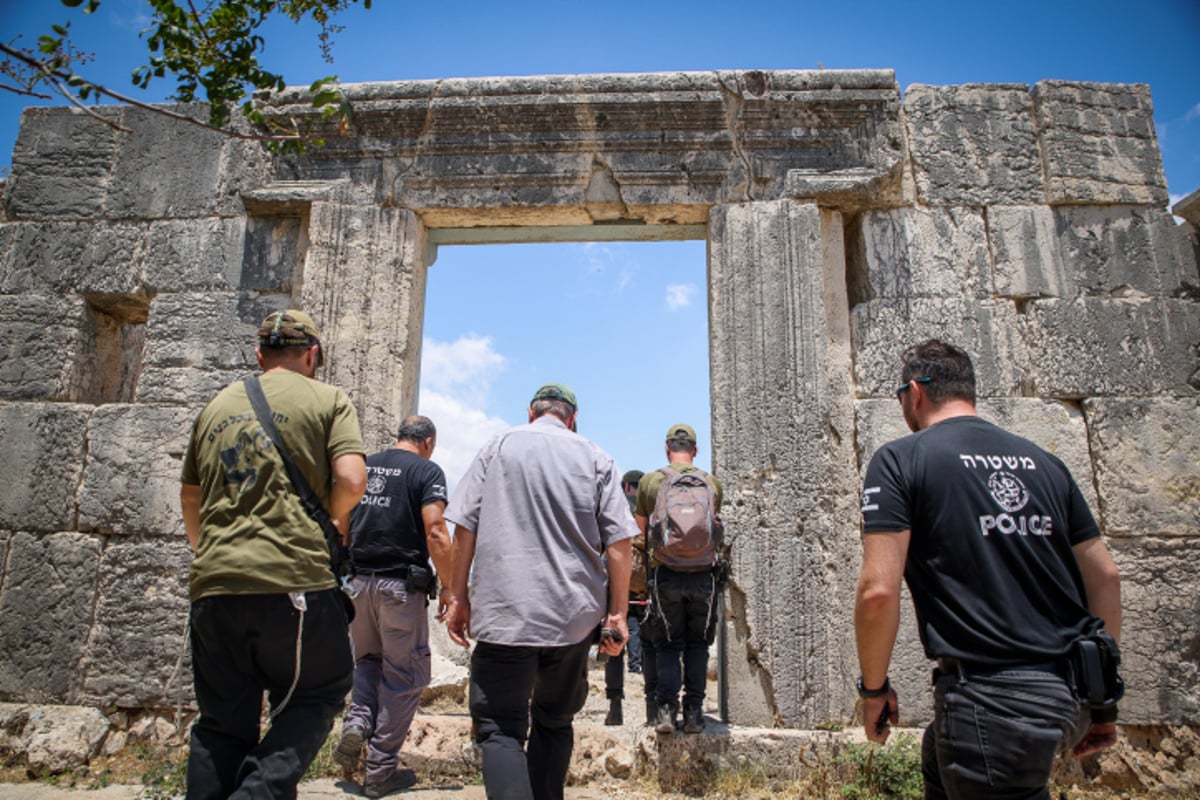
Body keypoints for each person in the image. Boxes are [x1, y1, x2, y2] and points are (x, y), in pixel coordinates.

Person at [855, 339, 1123, 800]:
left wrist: (873, 689)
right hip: (1067, 693)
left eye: (900, 396)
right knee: (937, 758)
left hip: (992, 703)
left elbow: (878, 591)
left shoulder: (901, 459)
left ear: (915, 392)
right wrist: (1101, 702)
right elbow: (1105, 577)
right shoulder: (1045, 463)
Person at [180, 309, 367, 799]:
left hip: (215, 583)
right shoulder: (329, 399)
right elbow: (351, 480)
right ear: (312, 356)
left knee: (220, 725)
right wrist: (329, 518)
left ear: (259, 355)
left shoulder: (216, 405)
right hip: (293, 578)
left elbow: (191, 497)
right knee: (319, 689)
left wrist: (215, 554)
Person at [442, 383, 636, 800]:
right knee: (554, 721)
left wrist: (456, 596)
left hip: (504, 612)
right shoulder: (595, 456)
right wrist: (616, 614)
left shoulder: (497, 447)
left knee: (499, 728)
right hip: (571, 618)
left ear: (531, 413)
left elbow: (464, 526)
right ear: (573, 418)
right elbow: (621, 543)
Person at [333, 415, 453, 798]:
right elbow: (435, 530)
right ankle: (380, 771)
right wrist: (450, 586)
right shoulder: (426, 470)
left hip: (359, 583)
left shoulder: (364, 465)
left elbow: (342, 522)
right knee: (405, 676)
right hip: (399, 587)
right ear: (428, 442)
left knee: (368, 662)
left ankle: (358, 720)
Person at [635, 424, 724, 735]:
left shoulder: (650, 482)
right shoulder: (711, 483)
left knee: (668, 644)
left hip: (665, 573)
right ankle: (695, 714)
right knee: (698, 644)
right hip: (703, 575)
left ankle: (666, 713)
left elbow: (641, 530)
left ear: (667, 448)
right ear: (695, 450)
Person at [602, 469, 651, 727]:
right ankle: (653, 707)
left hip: (618, 587)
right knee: (650, 645)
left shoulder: (618, 507)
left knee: (613, 645)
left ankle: (615, 705)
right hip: (646, 590)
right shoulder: (651, 509)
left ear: (627, 487)